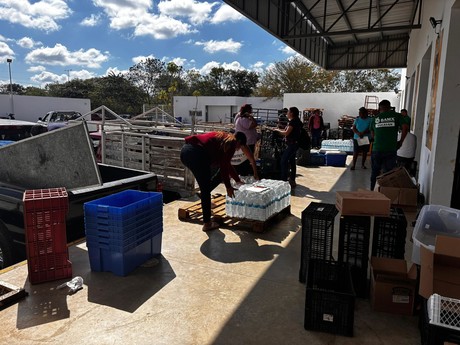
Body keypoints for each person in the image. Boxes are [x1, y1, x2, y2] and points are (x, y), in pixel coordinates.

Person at [180, 131, 258, 232]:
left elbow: (226, 165)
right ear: (238, 141)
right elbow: (224, 168)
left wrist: (237, 180)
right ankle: (207, 223)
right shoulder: (232, 143)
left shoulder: (225, 138)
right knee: (205, 189)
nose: (238, 149)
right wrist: (228, 187)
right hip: (198, 155)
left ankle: (206, 202)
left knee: (207, 186)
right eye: (240, 146)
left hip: (185, 152)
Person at [370, 100, 410, 190]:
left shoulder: (375, 118)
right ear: (389, 107)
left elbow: (372, 133)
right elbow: (405, 127)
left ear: (380, 108)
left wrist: (378, 138)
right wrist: (400, 141)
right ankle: (386, 193)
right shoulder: (396, 116)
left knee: (375, 172)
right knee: (388, 174)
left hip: (377, 149)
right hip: (390, 149)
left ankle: (372, 192)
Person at [273, 106, 302, 188]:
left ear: (292, 113)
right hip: (294, 144)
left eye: (288, 112)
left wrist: (277, 130)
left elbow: (286, 133)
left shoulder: (293, 122)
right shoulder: (296, 121)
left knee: (283, 160)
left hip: (292, 145)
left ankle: (284, 180)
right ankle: (292, 179)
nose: (287, 113)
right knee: (292, 162)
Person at [234, 104, 258, 175]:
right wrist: (251, 117)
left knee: (247, 159)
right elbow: (254, 124)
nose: (251, 111)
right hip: (247, 142)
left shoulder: (242, 118)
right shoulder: (244, 120)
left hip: (248, 141)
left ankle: (245, 172)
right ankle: (245, 173)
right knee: (247, 159)